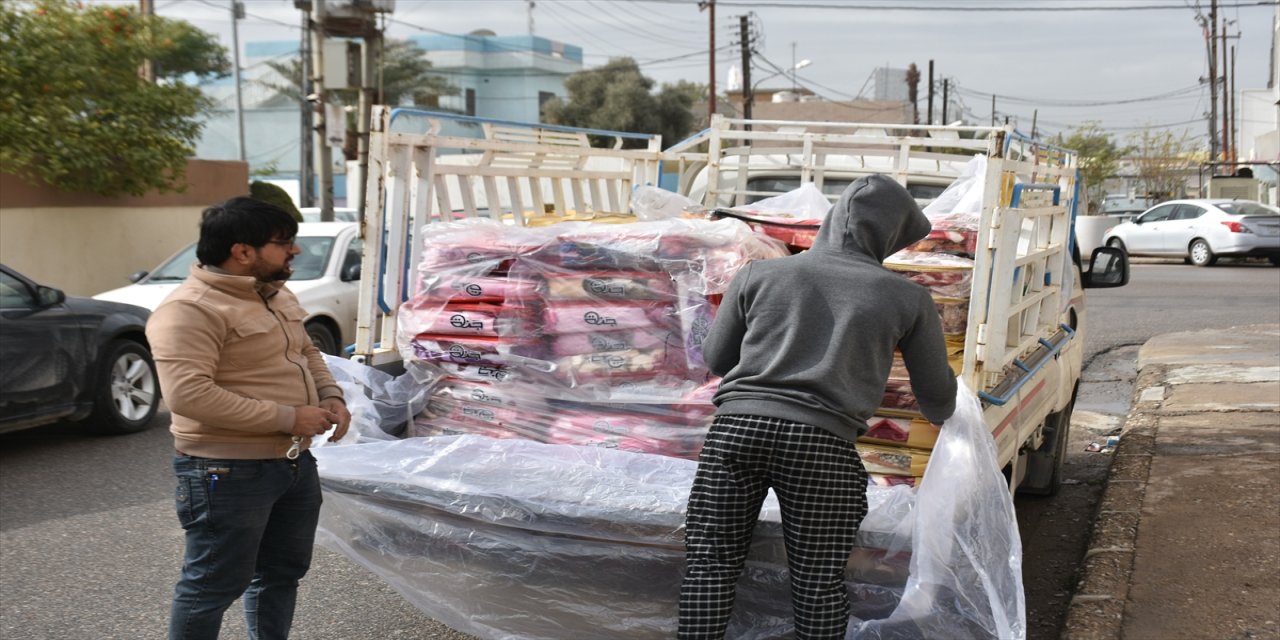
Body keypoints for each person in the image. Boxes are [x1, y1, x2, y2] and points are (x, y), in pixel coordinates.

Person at [679, 174, 958, 640]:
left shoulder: (758, 275)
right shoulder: (908, 299)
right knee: (817, 580)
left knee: (710, 565)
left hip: (737, 431)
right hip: (822, 445)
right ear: (891, 235)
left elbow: (717, 359)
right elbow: (937, 399)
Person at [146, 196, 352, 640]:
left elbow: (304, 350)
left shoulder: (275, 294)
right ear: (242, 251)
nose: (293, 251)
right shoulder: (189, 310)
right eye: (284, 243)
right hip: (225, 469)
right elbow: (188, 396)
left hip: (293, 463)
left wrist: (330, 393)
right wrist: (289, 417)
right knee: (212, 586)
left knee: (281, 573)